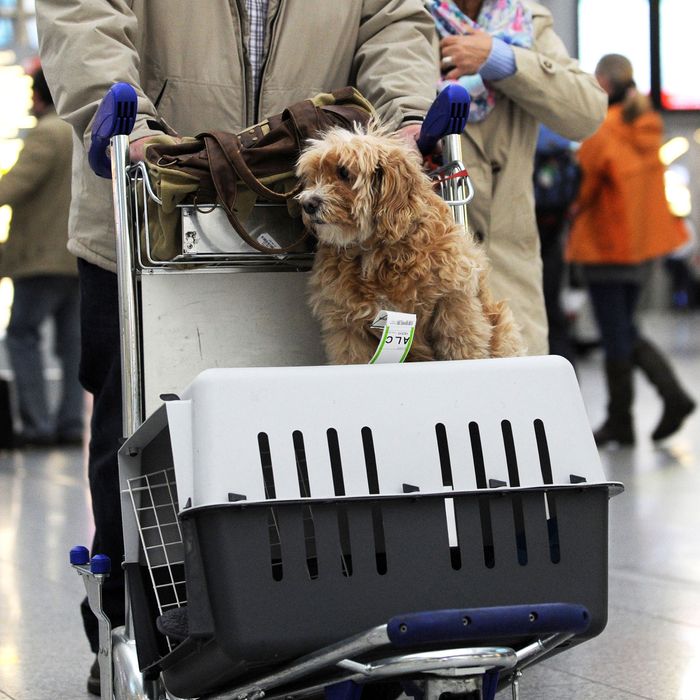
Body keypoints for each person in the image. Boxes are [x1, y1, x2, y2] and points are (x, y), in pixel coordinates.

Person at [34, 1, 439, 694]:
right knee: (140, 436)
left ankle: (308, 626)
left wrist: (404, 118)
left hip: (304, 219)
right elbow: (85, 18)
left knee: (310, 435)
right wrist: (125, 122)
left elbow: (394, 21)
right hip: (143, 214)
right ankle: (142, 629)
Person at [427, 0, 608, 354]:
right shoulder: (405, 13)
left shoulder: (525, 20)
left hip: (509, 274)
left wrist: (499, 58)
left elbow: (586, 112)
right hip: (425, 271)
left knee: (516, 401)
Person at [566, 53, 696, 446]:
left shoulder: (601, 131)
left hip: (605, 248)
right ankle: (667, 399)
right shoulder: (647, 127)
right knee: (625, 328)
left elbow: (581, 191)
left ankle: (627, 417)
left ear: (603, 84)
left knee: (615, 333)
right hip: (641, 249)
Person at [0, 68, 83, 447]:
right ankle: (70, 423)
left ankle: (37, 425)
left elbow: (14, 186)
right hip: (77, 259)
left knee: (21, 336)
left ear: (37, 96)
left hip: (39, 261)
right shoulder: (78, 130)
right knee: (72, 347)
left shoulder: (47, 132)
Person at [533, 124, 580, 366]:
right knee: (552, 309)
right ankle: (568, 375)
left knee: (539, 308)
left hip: (530, 235)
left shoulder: (531, 139)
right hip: (555, 236)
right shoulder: (565, 150)